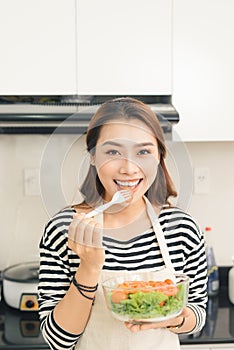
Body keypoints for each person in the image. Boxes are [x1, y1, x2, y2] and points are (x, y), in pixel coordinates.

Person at [38, 97, 207, 350]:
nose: (129, 168)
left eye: (143, 151)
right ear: (93, 156)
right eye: (113, 152)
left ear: (159, 157)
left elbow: (198, 313)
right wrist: (89, 267)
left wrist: (177, 318)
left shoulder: (181, 228)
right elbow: (58, 340)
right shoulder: (64, 229)